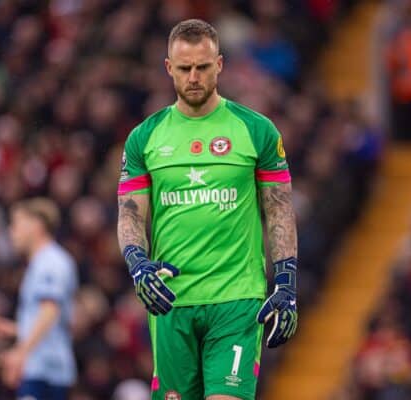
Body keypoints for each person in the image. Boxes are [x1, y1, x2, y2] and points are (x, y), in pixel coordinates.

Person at [117, 19, 298, 400]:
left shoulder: (257, 130)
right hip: (171, 301)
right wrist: (137, 263)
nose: (194, 77)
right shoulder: (144, 138)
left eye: (203, 66)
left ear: (220, 64)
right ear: (169, 68)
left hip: (236, 298)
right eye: (184, 69)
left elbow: (279, 208)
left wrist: (286, 282)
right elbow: (130, 212)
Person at [0, 198, 78, 400]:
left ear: (36, 225)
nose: (12, 231)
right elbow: (52, 321)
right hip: (41, 368)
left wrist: (20, 352)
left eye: (16, 223)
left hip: (46, 371)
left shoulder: (51, 262)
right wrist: (14, 329)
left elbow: (50, 310)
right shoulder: (39, 263)